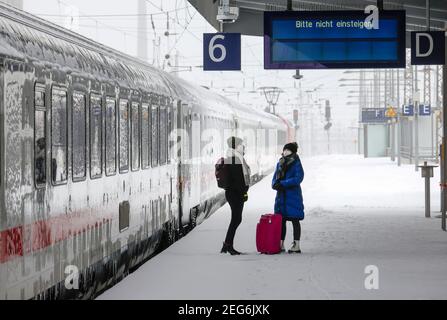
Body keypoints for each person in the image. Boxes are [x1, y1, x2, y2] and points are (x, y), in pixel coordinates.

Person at [271, 142, 304, 254]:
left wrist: (283, 184)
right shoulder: (279, 163)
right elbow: (275, 177)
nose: (285, 152)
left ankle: (296, 244)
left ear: (293, 152)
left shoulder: (296, 163)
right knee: (281, 220)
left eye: (288, 150)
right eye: (285, 150)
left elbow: (298, 178)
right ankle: (281, 243)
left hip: (293, 196)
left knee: (295, 220)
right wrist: (275, 184)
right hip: (281, 197)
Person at [221, 136, 250, 255]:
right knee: (236, 219)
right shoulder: (234, 159)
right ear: (236, 146)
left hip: (233, 192)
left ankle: (227, 245)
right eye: (241, 144)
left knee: (236, 219)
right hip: (235, 193)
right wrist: (243, 193)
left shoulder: (234, 157)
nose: (242, 146)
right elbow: (238, 180)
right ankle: (228, 245)